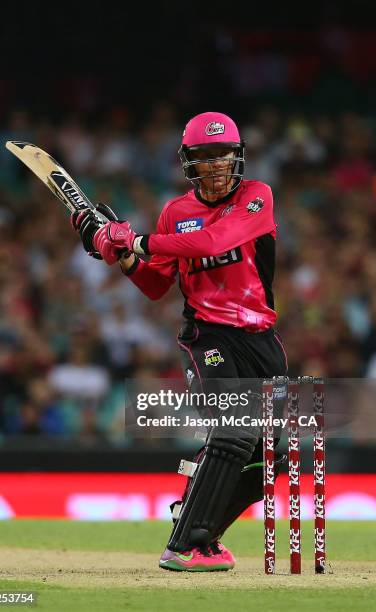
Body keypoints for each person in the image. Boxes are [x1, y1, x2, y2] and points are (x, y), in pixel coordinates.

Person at [72, 111, 287, 572]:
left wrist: (139, 241)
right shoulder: (176, 212)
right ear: (188, 161)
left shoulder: (256, 197)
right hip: (207, 334)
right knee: (234, 431)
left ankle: (204, 535)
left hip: (261, 338)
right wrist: (117, 253)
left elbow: (216, 240)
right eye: (204, 157)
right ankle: (183, 542)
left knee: (275, 455)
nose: (214, 165)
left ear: (238, 157)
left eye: (223, 155)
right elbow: (154, 285)